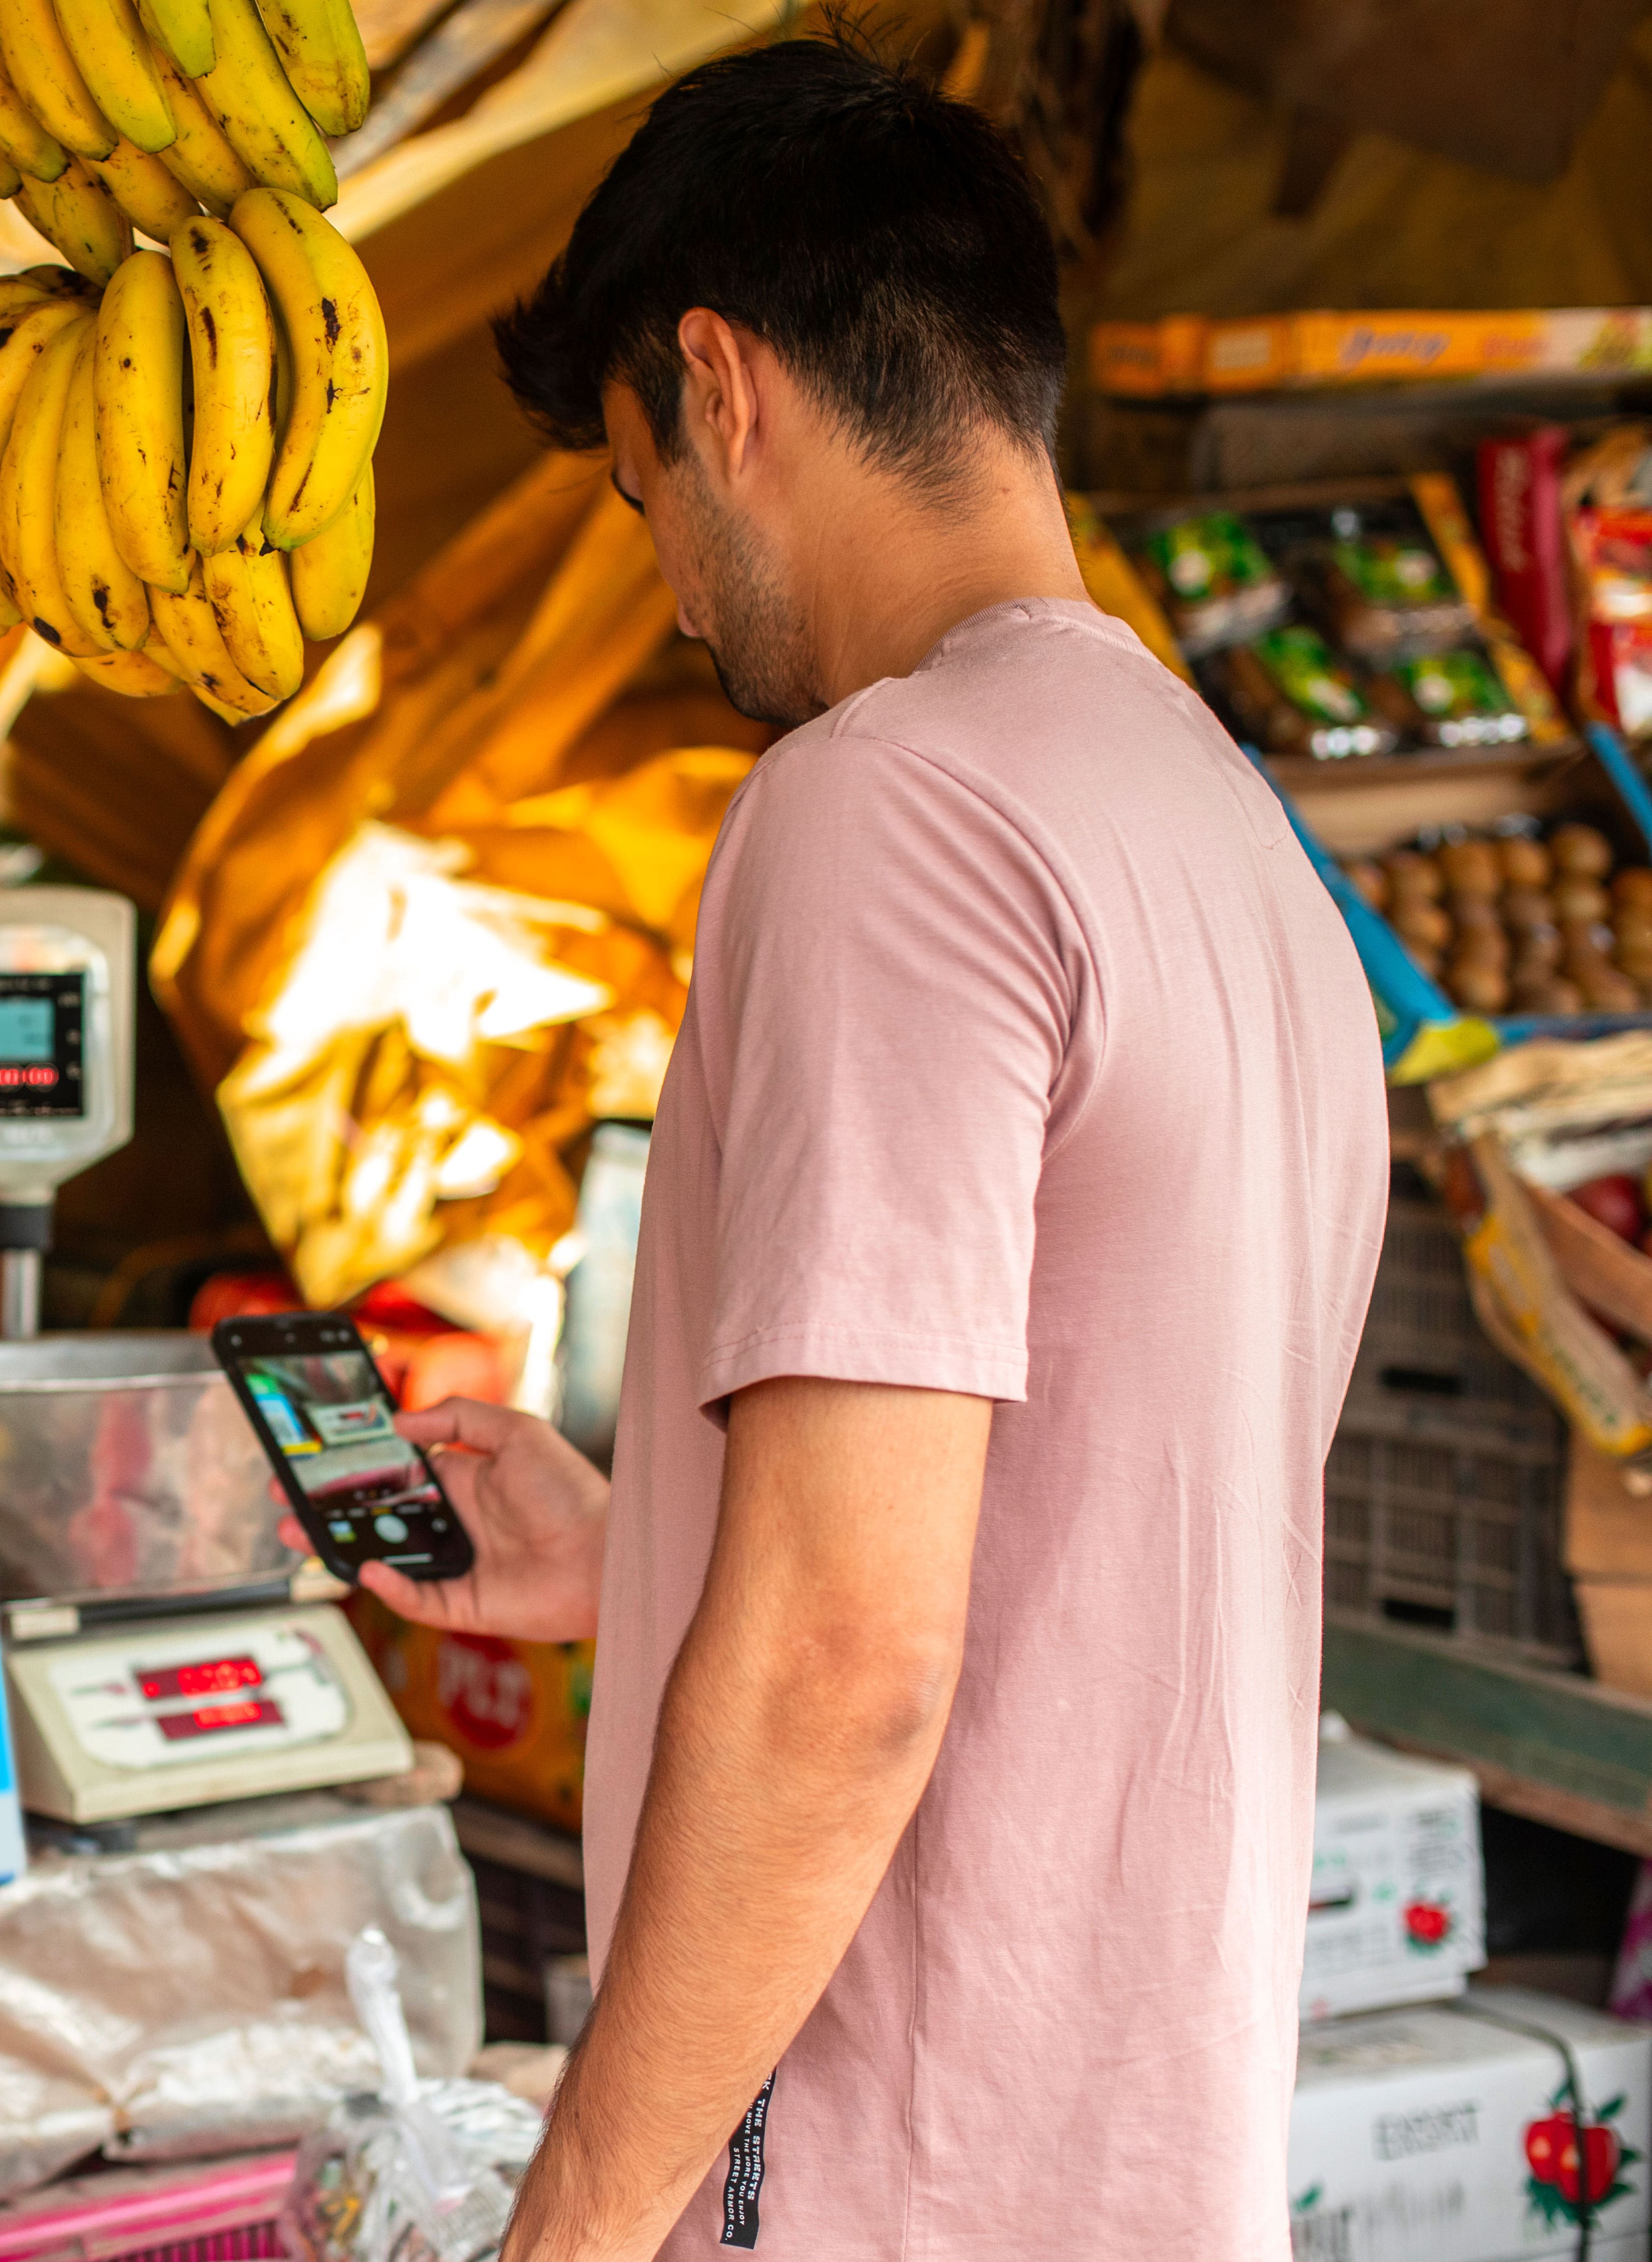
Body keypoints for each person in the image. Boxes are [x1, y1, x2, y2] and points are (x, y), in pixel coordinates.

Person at [374, 33, 1390, 2260]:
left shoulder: (885, 803)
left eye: (643, 497)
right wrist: (645, 1558)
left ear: (723, 387)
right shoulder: (1228, 836)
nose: (670, 595)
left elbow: (851, 1663)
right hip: (1131, 2161)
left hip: (885, 2174)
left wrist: (572, 2225)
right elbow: (1079, 1535)